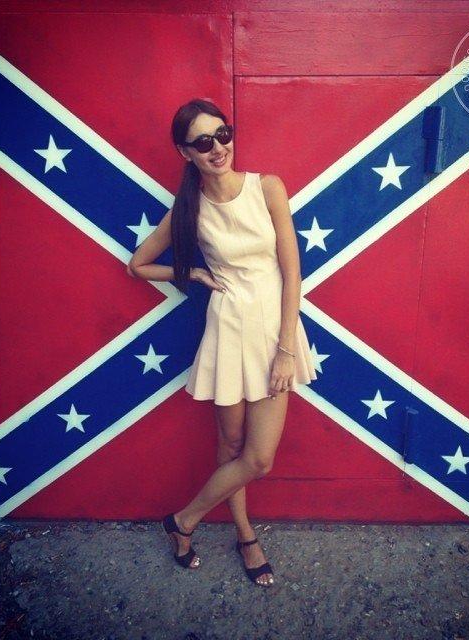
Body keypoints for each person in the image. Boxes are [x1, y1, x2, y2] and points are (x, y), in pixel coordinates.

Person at [127, 98, 317, 587]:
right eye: (203, 142)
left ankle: (183, 520)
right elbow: (138, 265)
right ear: (185, 152)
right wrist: (190, 273)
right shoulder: (188, 209)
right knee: (230, 445)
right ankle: (245, 535)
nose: (218, 148)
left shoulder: (267, 187)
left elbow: (292, 273)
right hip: (229, 331)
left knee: (259, 458)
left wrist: (285, 350)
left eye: (223, 135)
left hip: (274, 335)